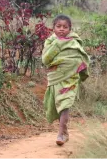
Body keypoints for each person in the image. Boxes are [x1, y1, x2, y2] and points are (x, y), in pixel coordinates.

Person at [42, 15, 90, 146]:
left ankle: (61, 133)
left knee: (65, 105)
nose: (62, 29)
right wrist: (58, 43)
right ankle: (65, 131)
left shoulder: (74, 41)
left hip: (70, 80)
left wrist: (81, 70)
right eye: (58, 26)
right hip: (56, 78)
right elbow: (45, 59)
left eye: (65, 27)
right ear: (53, 28)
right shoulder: (50, 42)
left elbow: (81, 58)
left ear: (70, 28)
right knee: (57, 105)